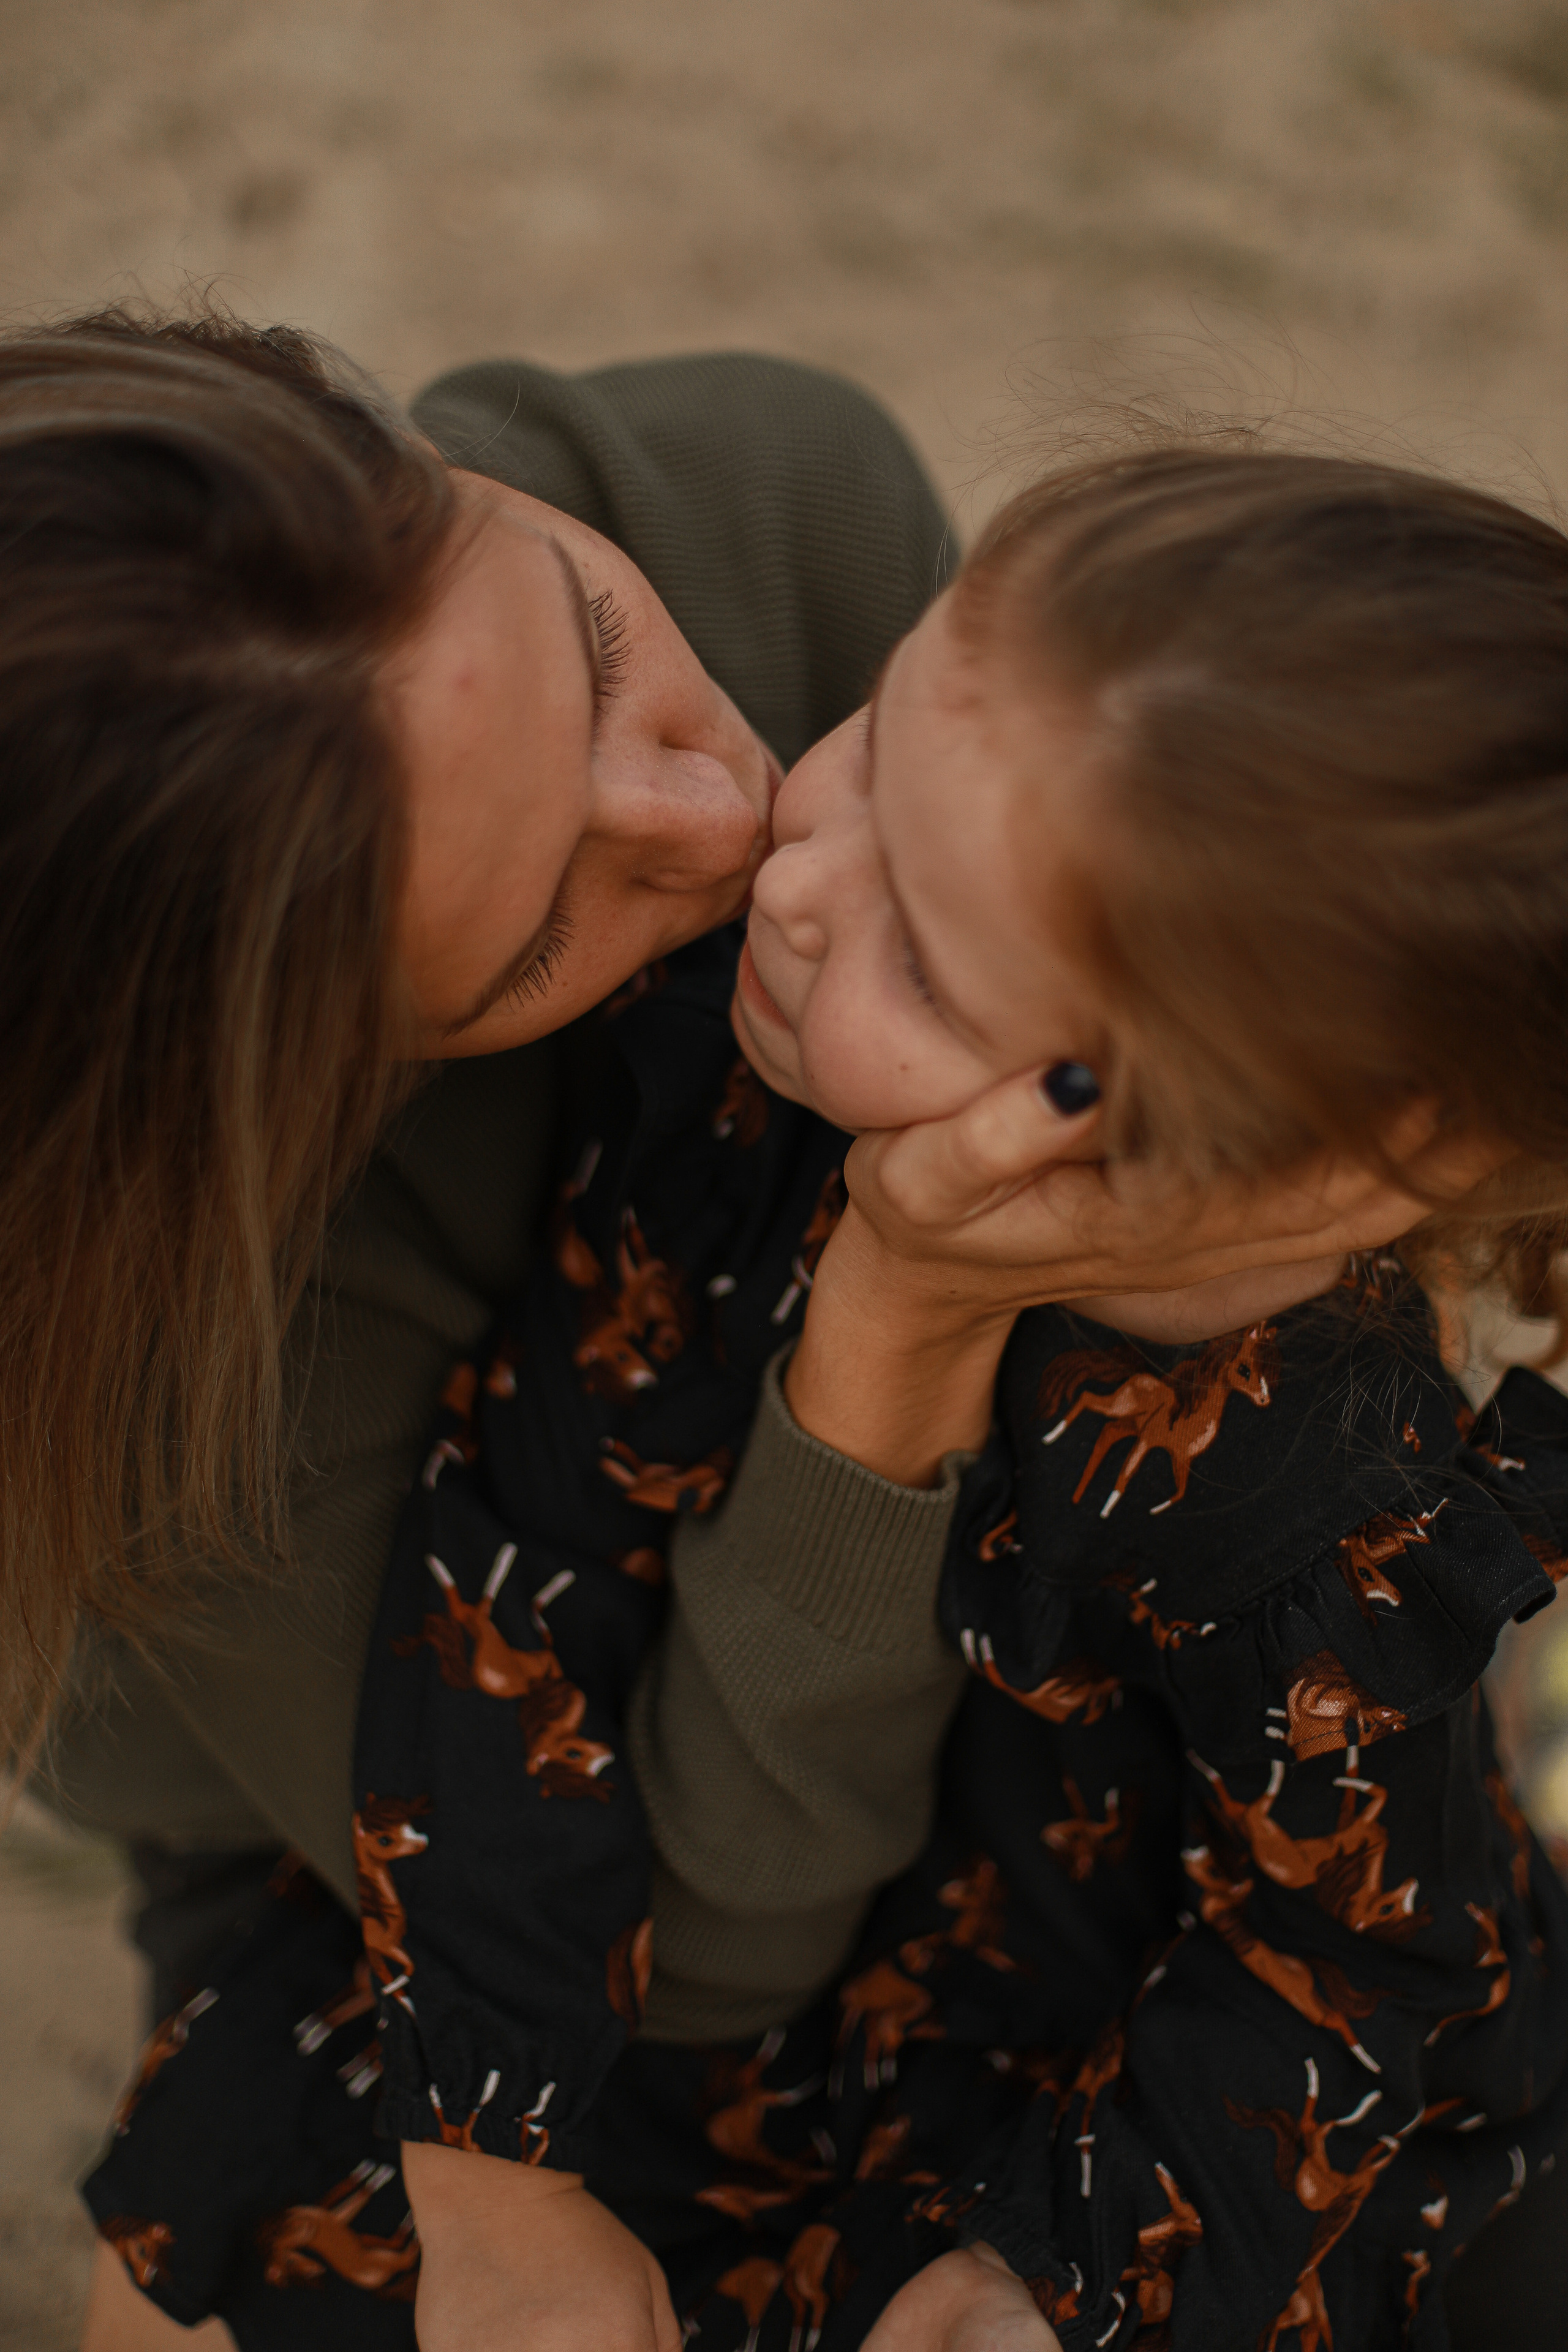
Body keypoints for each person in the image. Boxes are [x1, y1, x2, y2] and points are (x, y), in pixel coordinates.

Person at [82, 445, 1568, 2351]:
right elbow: (516, 1570)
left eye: (926, 958)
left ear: (1285, 1134)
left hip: (1071, 2081)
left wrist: (1059, 2273)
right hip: (648, 1971)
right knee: (229, 2233)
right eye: (870, 749)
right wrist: (495, 2148)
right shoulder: (733, 1089)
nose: (785, 880)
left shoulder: (1314, 1468)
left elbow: (1344, 1952)